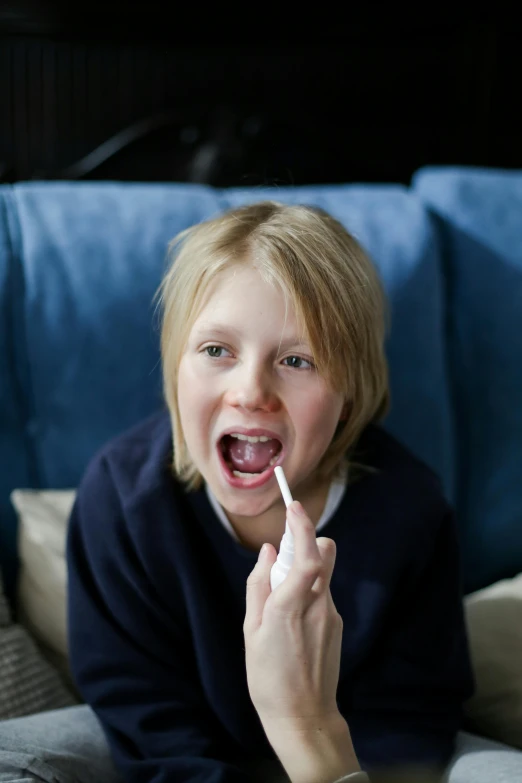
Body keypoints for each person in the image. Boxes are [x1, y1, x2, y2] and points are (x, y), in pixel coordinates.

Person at [0, 202, 475, 782]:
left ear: (349, 394)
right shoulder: (123, 505)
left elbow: (412, 728)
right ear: (176, 366)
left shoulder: (411, 512)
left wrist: (306, 724)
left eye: (297, 360)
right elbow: (150, 730)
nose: (251, 391)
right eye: (217, 351)